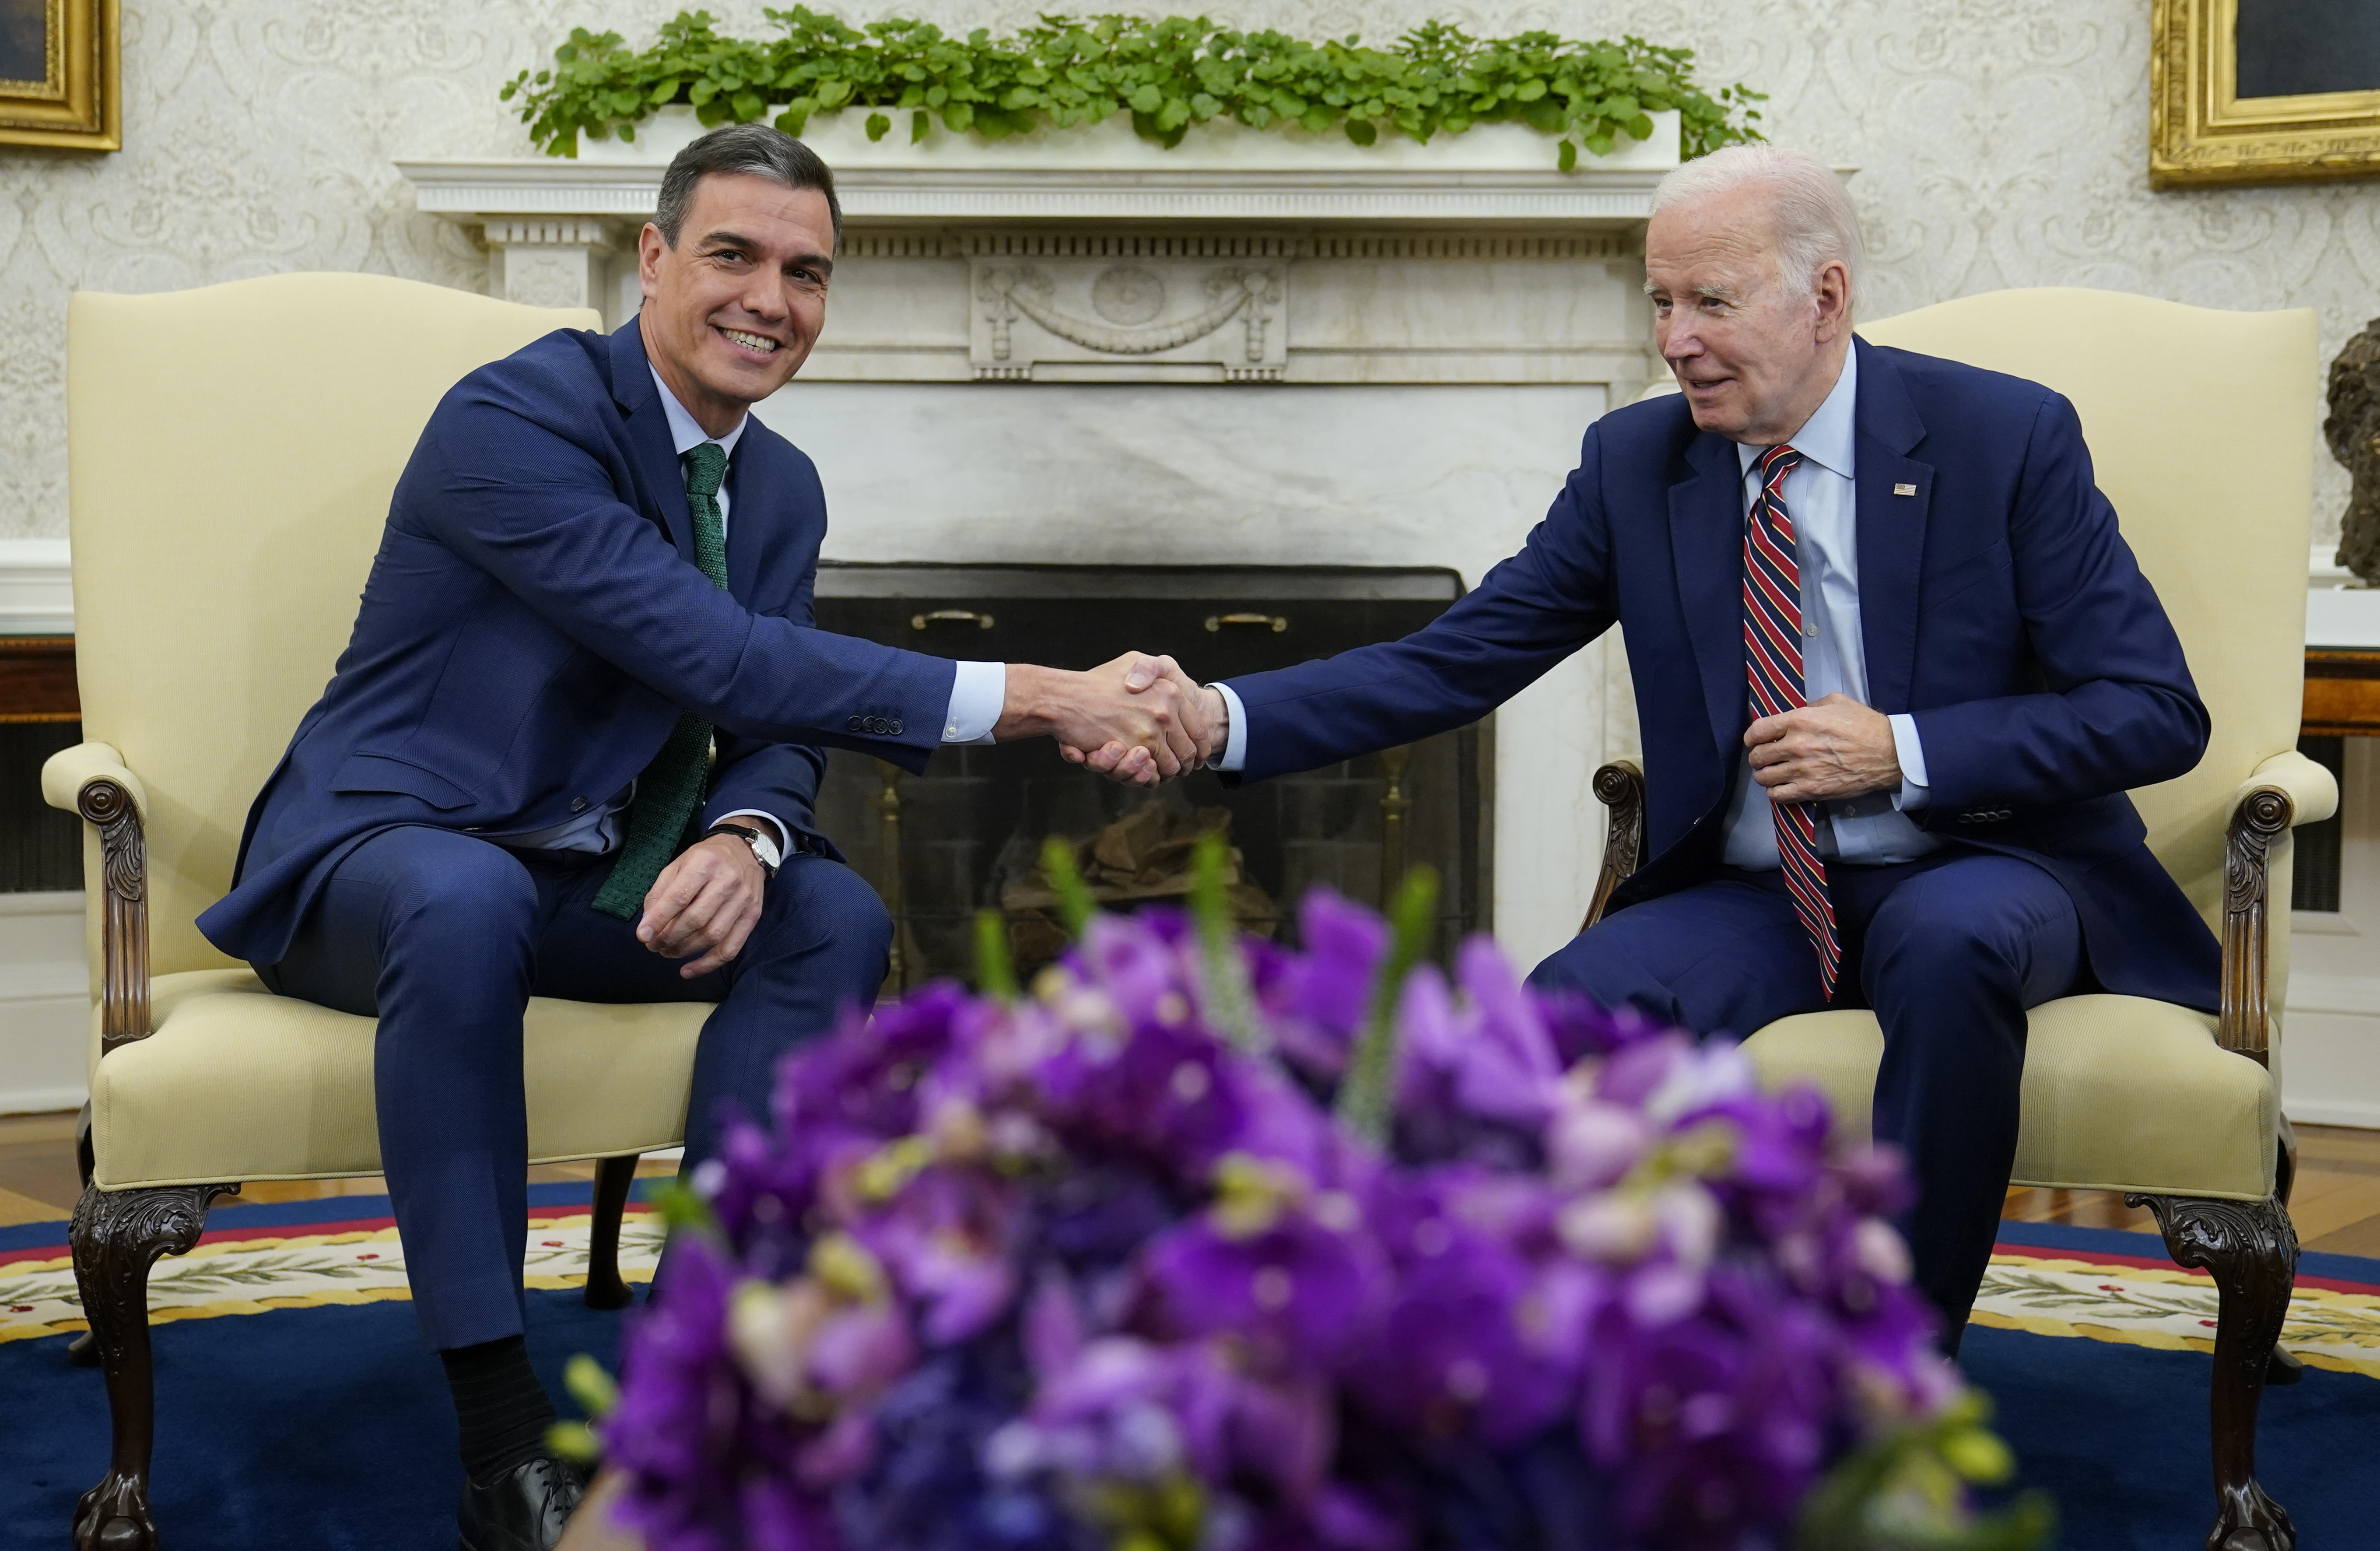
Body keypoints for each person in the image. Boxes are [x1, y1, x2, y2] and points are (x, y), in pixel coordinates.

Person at [197, 125, 1206, 1550]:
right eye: (733, 254)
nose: (770, 299)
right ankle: (499, 1441)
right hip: (383, 853)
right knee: (466, 891)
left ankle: (687, 1374)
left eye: (808, 272)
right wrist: (1040, 694)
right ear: (654, 259)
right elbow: (718, 653)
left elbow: (773, 719)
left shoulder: (778, 483)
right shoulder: (516, 418)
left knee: (833, 916)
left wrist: (746, 832)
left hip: (583, 876)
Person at [1134, 143, 2219, 1357]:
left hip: (1981, 862)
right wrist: (1224, 717)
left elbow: (2153, 708)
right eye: (1660, 299)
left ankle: (1891, 1376)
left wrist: (1902, 747)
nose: (1676, 338)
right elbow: (1458, 657)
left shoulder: (2002, 440)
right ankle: (1536, 1365)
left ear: (1826, 298)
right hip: (1759, 892)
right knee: (1566, 1003)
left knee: (1948, 941)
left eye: (1712, 299)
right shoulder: (1636, 466)